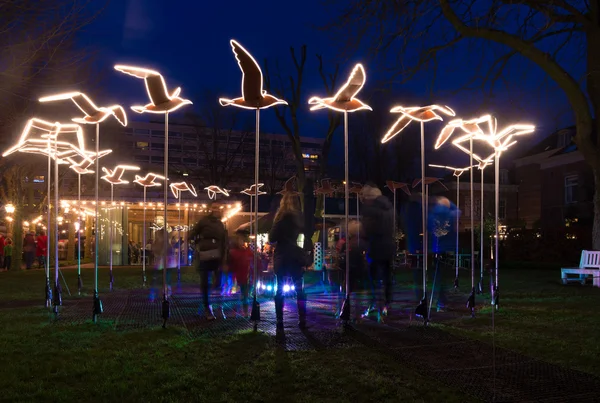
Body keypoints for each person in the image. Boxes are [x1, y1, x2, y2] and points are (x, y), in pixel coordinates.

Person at [269, 193, 308, 329]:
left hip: (282, 256)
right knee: (299, 289)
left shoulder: (281, 218)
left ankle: (280, 320)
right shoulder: (299, 218)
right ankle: (302, 318)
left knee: (279, 289)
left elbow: (272, 238)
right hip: (295, 256)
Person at [361, 183, 396, 316]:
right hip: (388, 245)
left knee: (371, 277)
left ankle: (373, 303)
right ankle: (387, 303)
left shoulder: (370, 209)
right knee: (387, 276)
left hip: (375, 246)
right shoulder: (390, 208)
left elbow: (368, 229)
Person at [190, 204, 228, 320]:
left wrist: (224, 257)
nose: (216, 209)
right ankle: (208, 308)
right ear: (210, 209)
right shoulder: (203, 221)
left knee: (219, 283)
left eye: (218, 207)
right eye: (214, 207)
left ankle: (218, 307)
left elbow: (225, 241)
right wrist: (197, 245)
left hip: (217, 255)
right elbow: (192, 234)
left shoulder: (221, 224)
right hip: (205, 254)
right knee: (205, 282)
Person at [228, 231, 253, 317]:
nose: (243, 242)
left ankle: (244, 312)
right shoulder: (234, 252)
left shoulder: (246, 251)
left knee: (244, 295)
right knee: (239, 295)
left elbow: (252, 259)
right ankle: (236, 311)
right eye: (241, 240)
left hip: (244, 276)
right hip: (237, 276)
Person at [151, 229, 176, 300]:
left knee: (165, 276)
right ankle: (166, 291)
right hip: (166, 262)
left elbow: (158, 251)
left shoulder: (163, 243)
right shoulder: (163, 242)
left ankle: (165, 291)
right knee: (166, 276)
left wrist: (159, 256)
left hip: (166, 262)